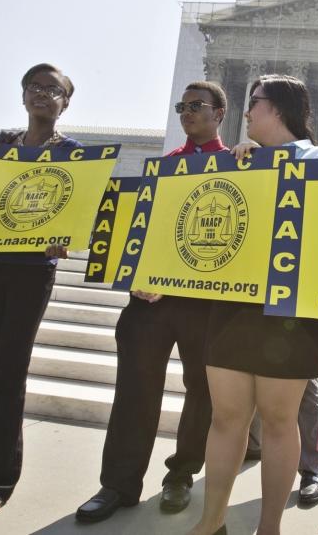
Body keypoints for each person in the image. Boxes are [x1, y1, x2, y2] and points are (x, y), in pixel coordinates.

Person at [75, 81, 229, 523]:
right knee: (134, 391)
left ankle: (181, 473)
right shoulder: (160, 168)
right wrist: (134, 278)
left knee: (202, 391)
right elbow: (137, 234)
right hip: (149, 303)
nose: (187, 112)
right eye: (182, 106)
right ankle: (117, 484)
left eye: (197, 105)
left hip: (204, 304)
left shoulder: (240, 167)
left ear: (220, 112)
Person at [187, 74, 318, 535]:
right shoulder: (236, 159)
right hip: (233, 303)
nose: (246, 112)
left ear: (281, 108)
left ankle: (269, 527)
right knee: (227, 416)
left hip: (288, 311)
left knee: (277, 419)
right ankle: (212, 521)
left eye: (255, 102)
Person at [0, 64, 81, 520]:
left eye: (53, 90)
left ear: (66, 103)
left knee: (9, 374)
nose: (42, 95)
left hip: (31, 272)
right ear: (23, 96)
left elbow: (78, 213)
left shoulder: (74, 155)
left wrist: (65, 235)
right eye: (34, 87)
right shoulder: (0, 145)